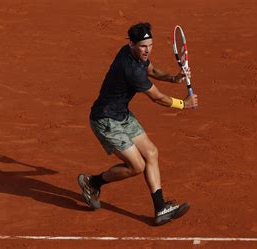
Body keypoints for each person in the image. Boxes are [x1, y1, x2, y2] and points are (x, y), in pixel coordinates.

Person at [78, 22, 198, 226]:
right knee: (136, 166)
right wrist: (183, 104)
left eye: (150, 45)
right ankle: (92, 182)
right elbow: (157, 98)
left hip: (122, 114)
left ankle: (161, 208)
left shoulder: (133, 54)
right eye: (143, 46)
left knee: (151, 152)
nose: (147, 50)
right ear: (131, 44)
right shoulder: (130, 69)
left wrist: (172, 78)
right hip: (105, 120)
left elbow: (150, 68)